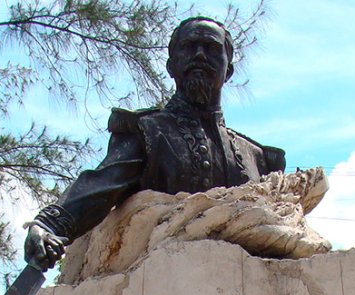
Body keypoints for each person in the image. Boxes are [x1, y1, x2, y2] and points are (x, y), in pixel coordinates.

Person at [24, 16, 286, 271]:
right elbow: (101, 184)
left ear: (228, 70)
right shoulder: (146, 131)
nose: (199, 55)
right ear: (171, 66)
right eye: (189, 46)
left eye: (211, 48)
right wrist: (49, 226)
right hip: (155, 283)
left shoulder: (258, 159)